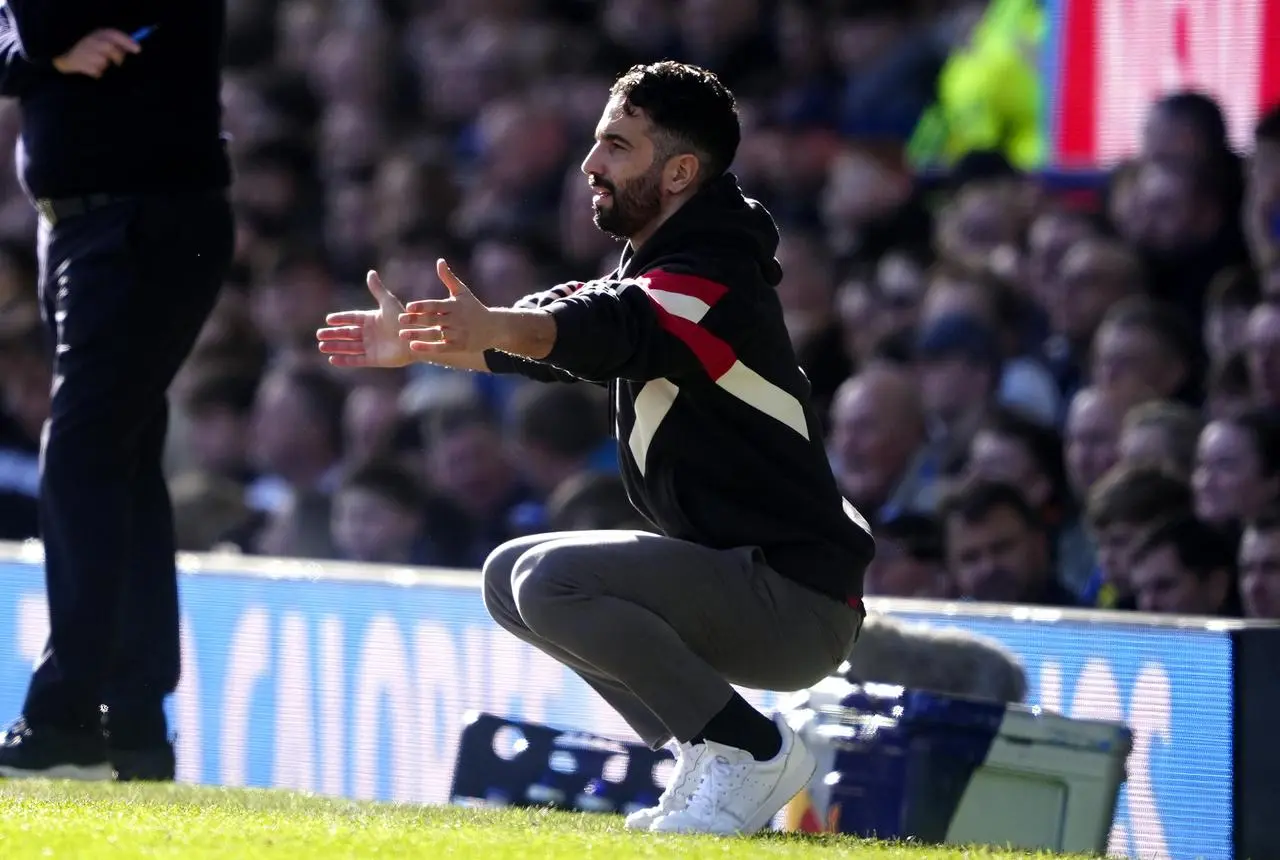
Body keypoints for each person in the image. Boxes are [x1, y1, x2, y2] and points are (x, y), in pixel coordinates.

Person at [317, 61, 872, 835]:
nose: (590, 164)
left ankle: (750, 750)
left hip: (794, 602)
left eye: (617, 144)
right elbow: (564, 323)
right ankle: (710, 755)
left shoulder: (713, 278)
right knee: (509, 576)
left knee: (553, 581)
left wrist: (492, 329)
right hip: (739, 583)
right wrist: (428, 342)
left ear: (678, 172)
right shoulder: (665, 267)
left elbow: (607, 329)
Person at [0, 3, 233, 781]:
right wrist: (44, 63)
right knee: (118, 460)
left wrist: (39, 57)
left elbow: (35, 28)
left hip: (142, 217)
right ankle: (131, 721)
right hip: (76, 225)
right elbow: (27, 45)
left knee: (82, 452)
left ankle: (68, 713)